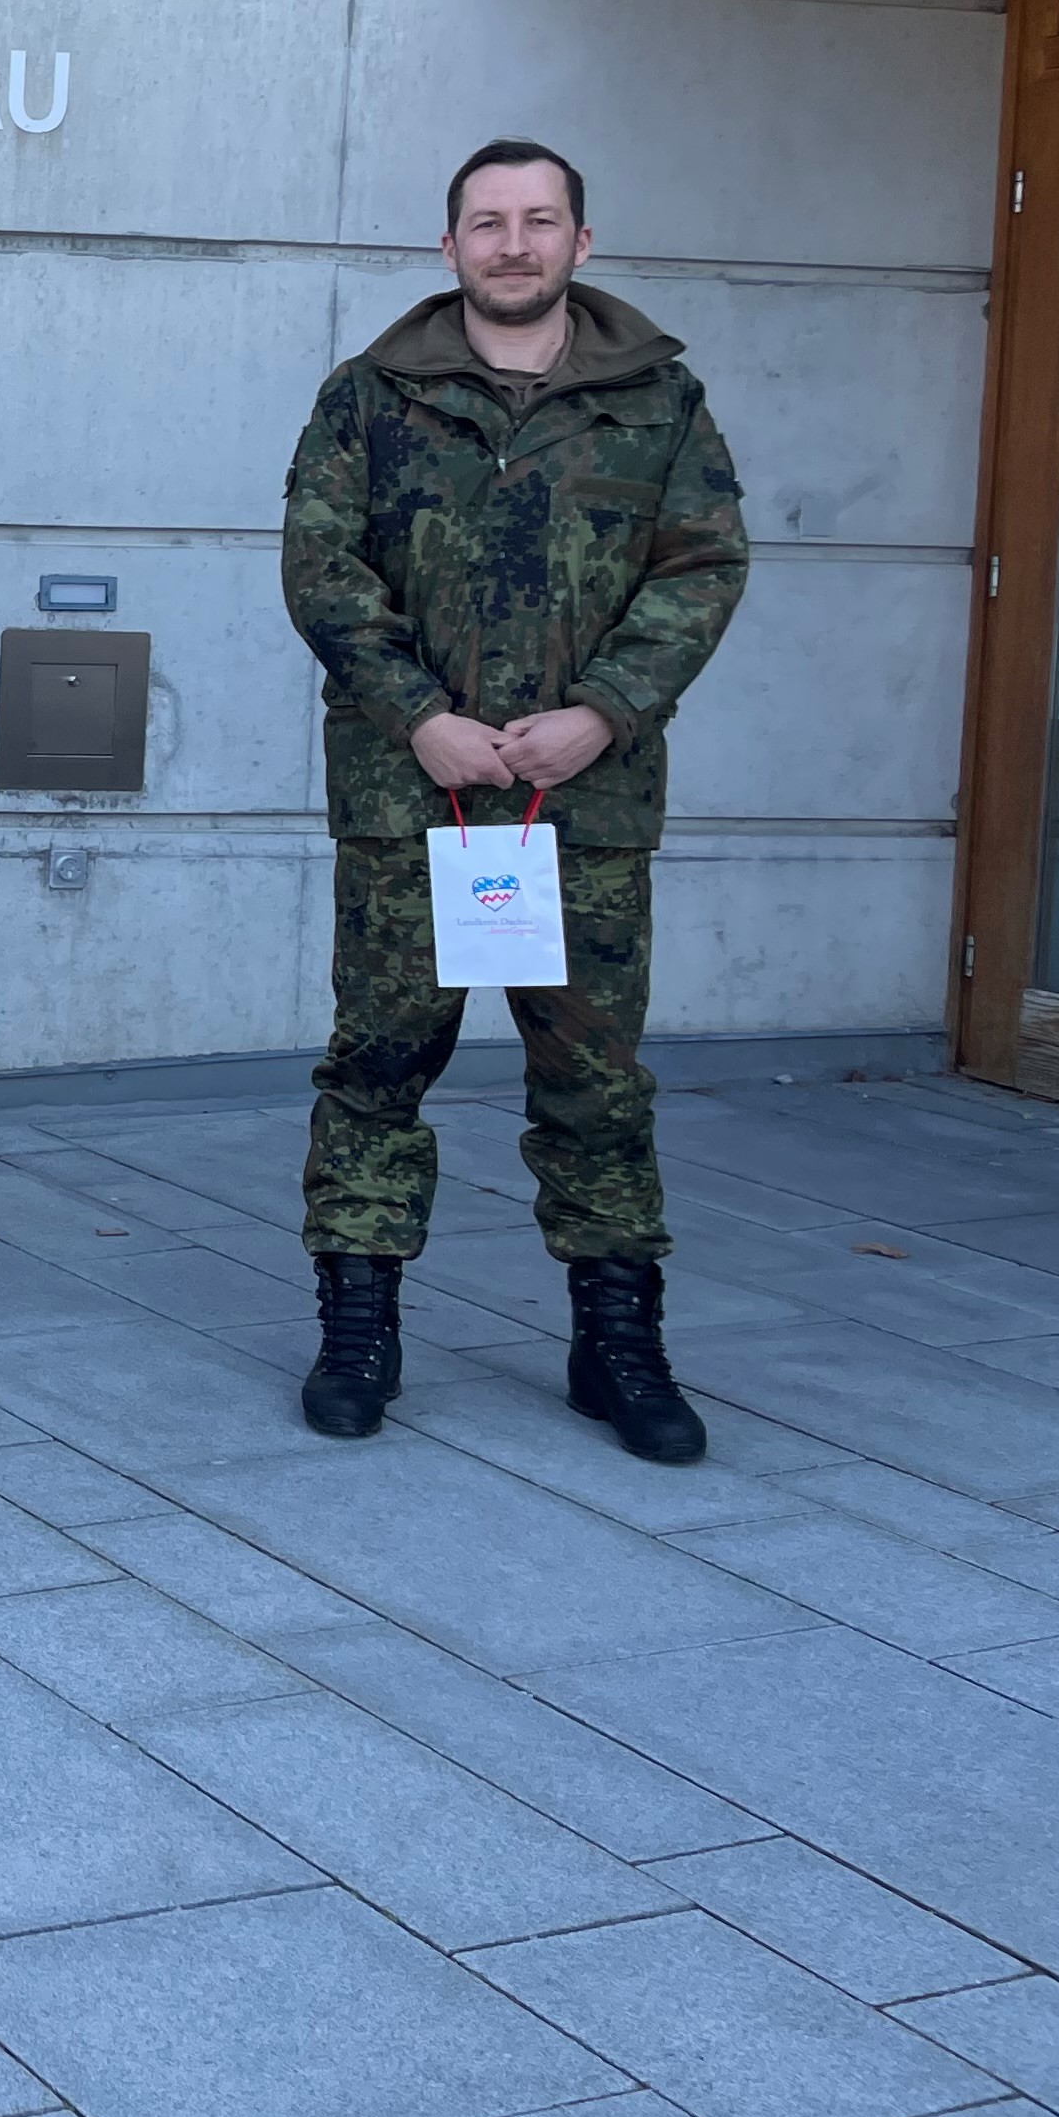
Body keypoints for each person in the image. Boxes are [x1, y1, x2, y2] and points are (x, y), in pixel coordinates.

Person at [283, 139, 745, 1463]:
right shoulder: (370, 397)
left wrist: (602, 710)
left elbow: (705, 563)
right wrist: (422, 719)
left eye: (540, 221)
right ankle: (359, 1331)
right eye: (488, 223)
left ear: (581, 244)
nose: (514, 244)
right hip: (408, 798)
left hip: (581, 807)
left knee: (595, 1081)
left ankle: (619, 1347)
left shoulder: (657, 402)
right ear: (450, 248)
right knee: (377, 1067)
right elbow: (322, 569)